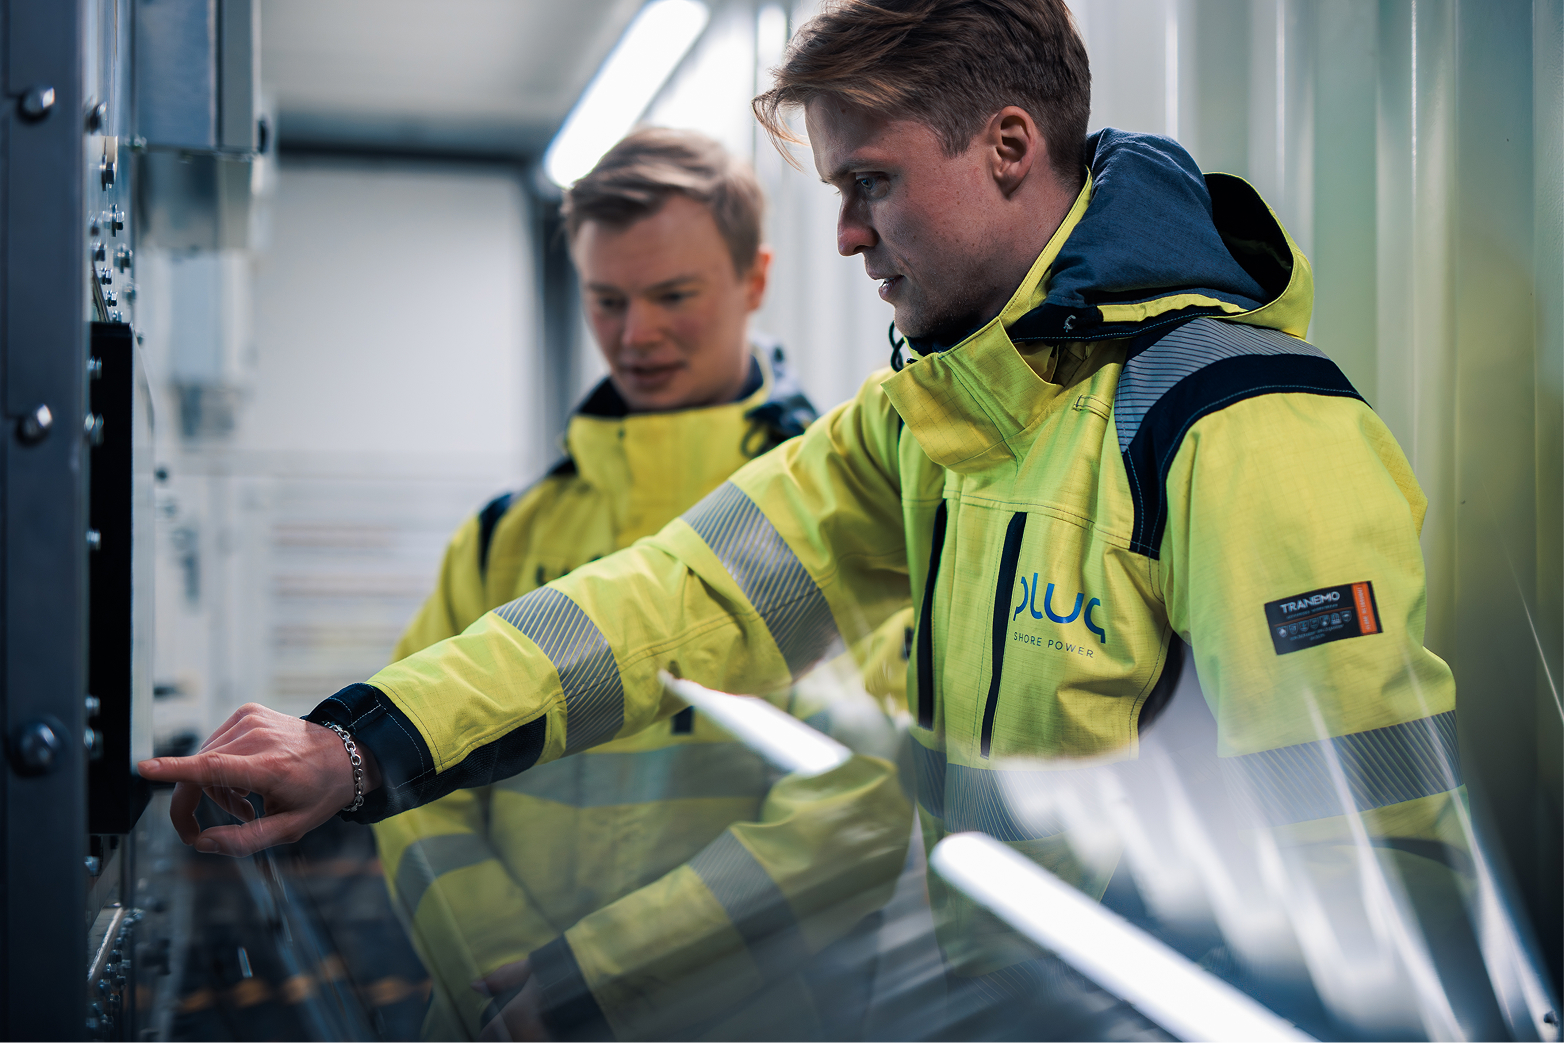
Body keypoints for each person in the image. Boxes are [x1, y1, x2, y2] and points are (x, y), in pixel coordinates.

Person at [143, 0, 1487, 1034]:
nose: (851, 235)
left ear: (1010, 147)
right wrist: (360, 747)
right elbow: (678, 596)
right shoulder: (932, 426)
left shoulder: (1236, 425)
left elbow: (1375, 855)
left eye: (872, 182)